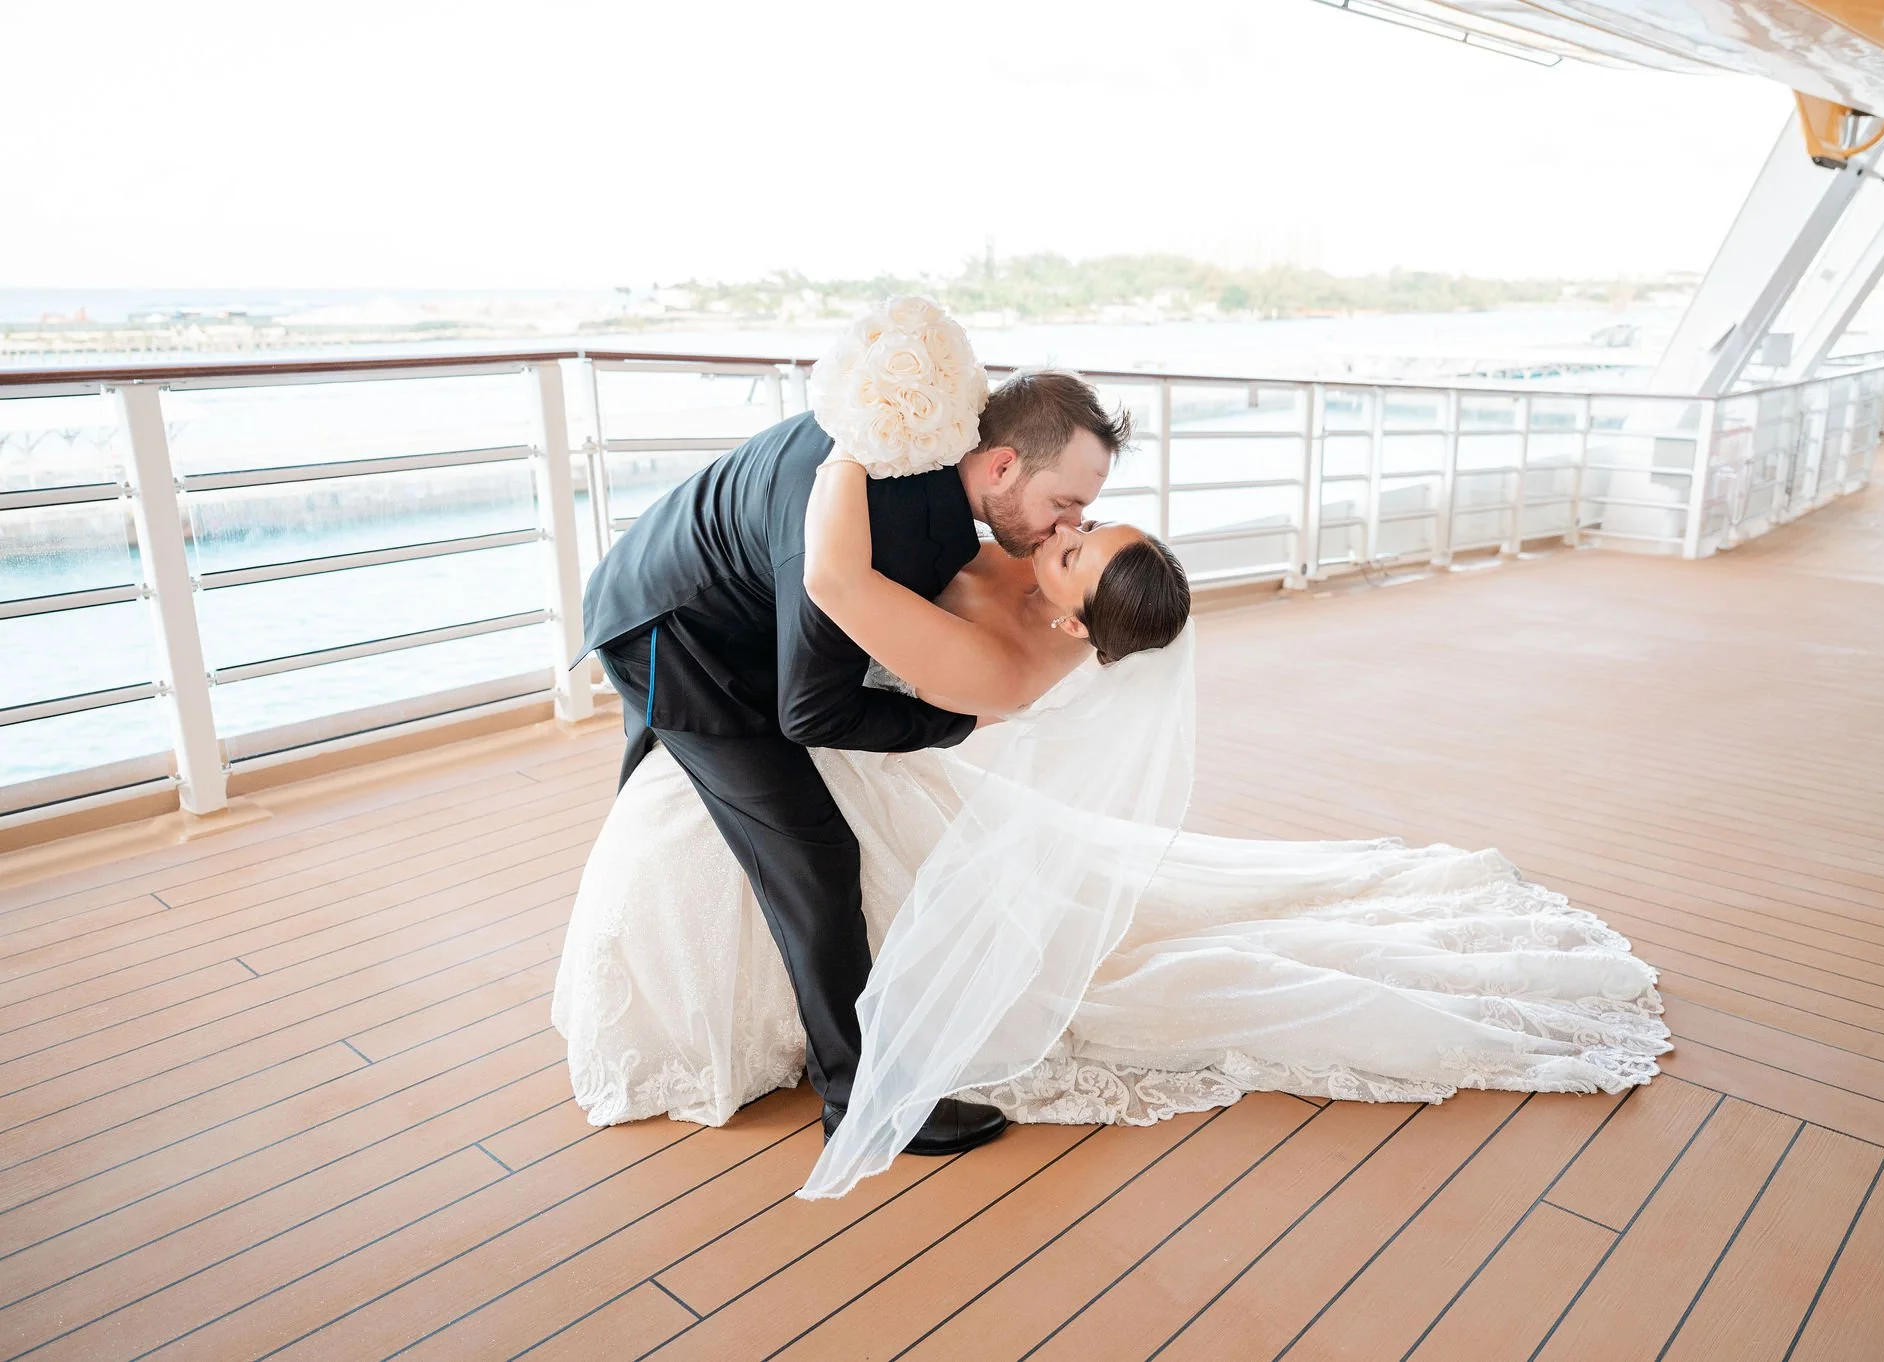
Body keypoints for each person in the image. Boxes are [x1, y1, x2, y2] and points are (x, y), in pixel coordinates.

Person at [554, 408, 1669, 1152]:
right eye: (1076, 516)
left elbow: (831, 650)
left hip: (768, 684)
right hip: (686, 638)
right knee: (704, 782)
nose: (1070, 527)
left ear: (1076, 614)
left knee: (810, 849)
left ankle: (859, 1095)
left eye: (1079, 543)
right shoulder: (1001, 561)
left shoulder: (1008, 649)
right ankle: (817, 1021)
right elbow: (852, 607)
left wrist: (845, 441)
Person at [572, 369, 1129, 1158]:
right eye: (1063, 505)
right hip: (673, 637)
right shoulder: (892, 517)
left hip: (697, 592)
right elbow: (812, 713)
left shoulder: (918, 448)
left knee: (719, 796)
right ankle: (858, 1094)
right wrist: (955, 721)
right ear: (1001, 466)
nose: (1070, 523)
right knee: (817, 853)